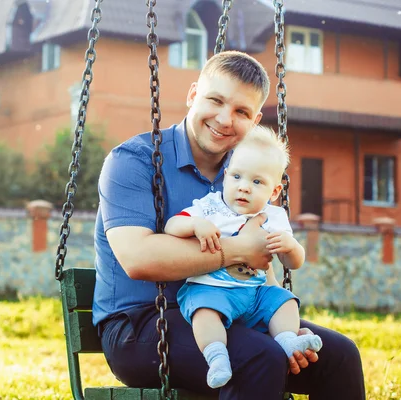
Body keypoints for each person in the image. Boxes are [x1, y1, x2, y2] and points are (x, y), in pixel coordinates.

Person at [93, 50, 365, 399]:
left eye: (241, 112)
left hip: (233, 313)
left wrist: (283, 327)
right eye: (215, 100)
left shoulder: (243, 177)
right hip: (141, 324)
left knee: (338, 356)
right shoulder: (133, 161)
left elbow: (260, 259)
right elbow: (138, 258)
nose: (224, 119)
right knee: (259, 357)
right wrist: (238, 250)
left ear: (254, 121)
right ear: (193, 95)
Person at [164, 125, 322, 389]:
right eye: (237, 177)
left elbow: (293, 263)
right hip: (212, 289)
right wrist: (194, 226)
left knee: (284, 300)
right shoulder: (210, 206)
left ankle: (286, 340)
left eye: (257, 182)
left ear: (274, 192)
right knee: (204, 312)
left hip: (255, 294)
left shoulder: (274, 217)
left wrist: (290, 246)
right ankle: (216, 357)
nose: (244, 188)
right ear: (225, 177)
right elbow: (171, 226)